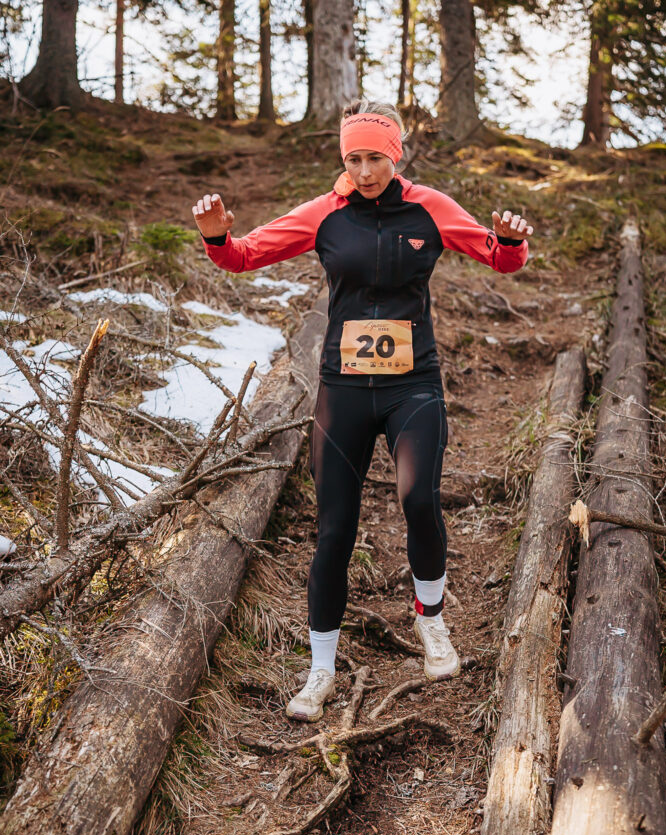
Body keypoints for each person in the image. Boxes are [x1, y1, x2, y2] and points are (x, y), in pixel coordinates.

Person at [192, 98, 533, 724]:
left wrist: (510, 242)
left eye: (376, 157)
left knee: (420, 499)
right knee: (334, 531)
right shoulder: (324, 213)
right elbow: (241, 256)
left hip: (413, 384)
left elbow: (499, 256)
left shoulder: (429, 208)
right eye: (354, 158)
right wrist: (216, 235)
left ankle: (431, 619)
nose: (365, 170)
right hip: (343, 389)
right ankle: (321, 669)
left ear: (395, 155)